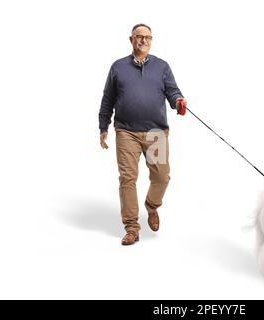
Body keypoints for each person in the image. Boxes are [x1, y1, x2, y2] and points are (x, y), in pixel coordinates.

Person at [98, 23, 187, 245]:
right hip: (126, 131)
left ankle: (152, 206)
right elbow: (108, 98)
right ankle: (131, 227)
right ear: (131, 40)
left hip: (156, 132)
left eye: (148, 37)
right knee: (128, 178)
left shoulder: (162, 66)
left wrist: (178, 101)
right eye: (139, 37)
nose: (144, 41)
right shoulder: (118, 67)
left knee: (161, 177)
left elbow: (172, 91)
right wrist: (103, 126)